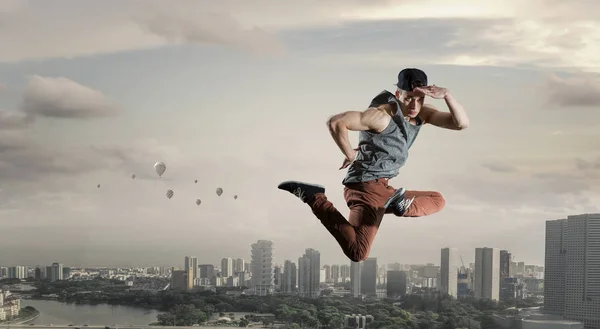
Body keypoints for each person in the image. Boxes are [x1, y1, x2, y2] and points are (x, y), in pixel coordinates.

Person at [278, 68, 470, 262]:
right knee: (358, 253)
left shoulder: (423, 114)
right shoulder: (381, 116)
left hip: (382, 189)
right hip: (367, 187)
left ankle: (398, 204)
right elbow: (336, 122)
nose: (414, 105)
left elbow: (461, 123)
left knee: (437, 199)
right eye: (409, 98)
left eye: (420, 99)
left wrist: (447, 95)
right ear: (398, 94)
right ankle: (315, 198)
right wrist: (350, 153)